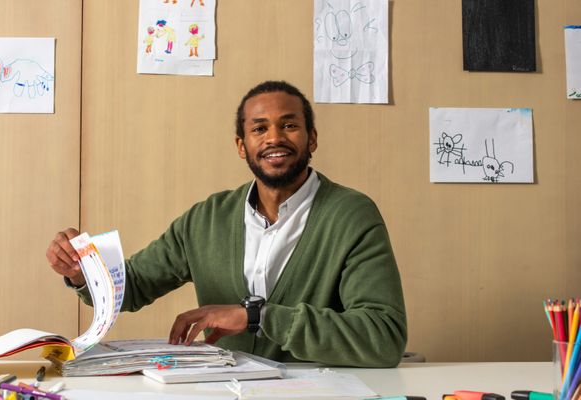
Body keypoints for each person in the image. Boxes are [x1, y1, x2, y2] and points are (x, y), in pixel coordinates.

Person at [46, 80, 407, 367]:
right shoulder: (207, 219)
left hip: (318, 391)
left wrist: (258, 317)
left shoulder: (352, 215)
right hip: (225, 388)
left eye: (290, 125)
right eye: (259, 128)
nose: (274, 138)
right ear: (241, 145)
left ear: (312, 138)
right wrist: (81, 271)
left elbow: (383, 337)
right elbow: (134, 285)